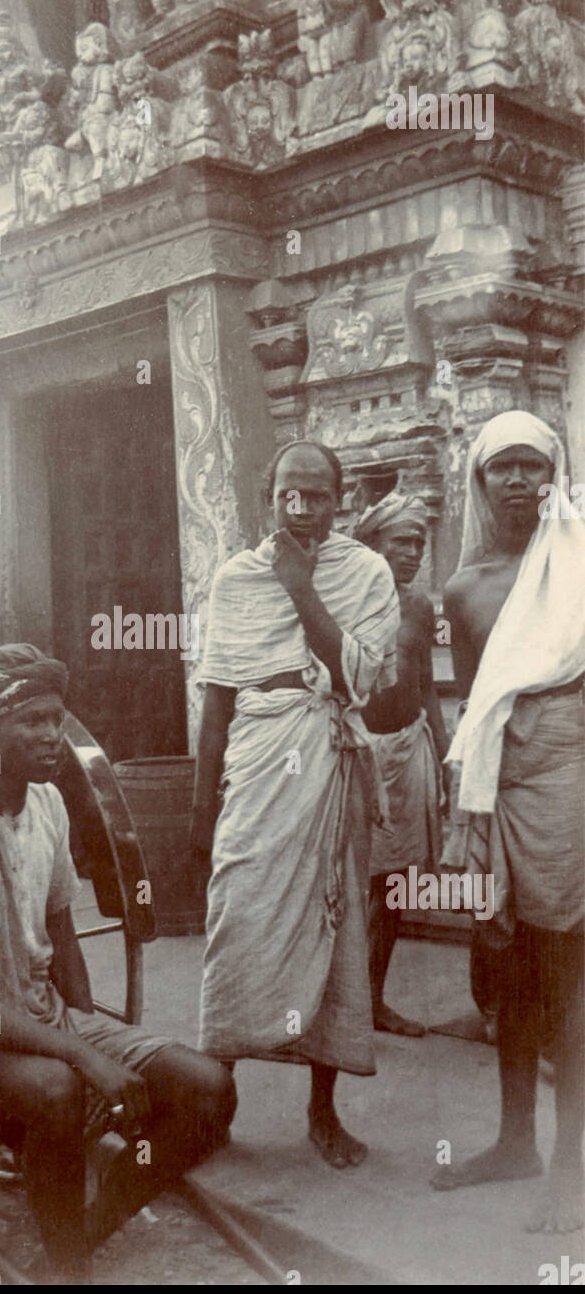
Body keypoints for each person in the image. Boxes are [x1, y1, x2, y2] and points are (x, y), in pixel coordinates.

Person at [0, 644, 236, 1280]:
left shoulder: (47, 803)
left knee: (208, 1090)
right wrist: (78, 1055)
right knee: (58, 1089)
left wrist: (84, 1030)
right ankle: (69, 1264)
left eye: (56, 718)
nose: (53, 737)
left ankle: (77, 1242)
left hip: (40, 1014)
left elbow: (60, 929)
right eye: (33, 722)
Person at [192, 441, 399, 1169]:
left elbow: (359, 681)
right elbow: (217, 699)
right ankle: (216, 1096)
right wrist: (200, 812)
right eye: (289, 493)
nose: (302, 507)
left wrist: (302, 587)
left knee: (334, 928)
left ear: (339, 501)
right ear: (268, 495)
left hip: (329, 761)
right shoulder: (234, 582)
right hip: (255, 763)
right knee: (237, 919)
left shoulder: (367, 574)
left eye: (317, 495)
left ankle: (322, 1110)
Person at [432, 410, 585, 1233]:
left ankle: (572, 1169)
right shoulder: (464, 587)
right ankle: (516, 1142)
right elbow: (472, 706)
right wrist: (467, 812)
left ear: (553, 471)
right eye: (503, 468)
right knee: (508, 968)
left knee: (568, 970)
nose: (519, 479)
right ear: (480, 481)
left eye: (533, 465)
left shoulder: (580, 559)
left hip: (571, 773)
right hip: (496, 781)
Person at [353, 493, 447, 1036]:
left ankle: (373, 1001)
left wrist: (443, 745)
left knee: (394, 888)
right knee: (347, 883)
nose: (412, 552)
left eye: (419, 542)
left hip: (410, 751)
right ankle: (335, 1008)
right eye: (401, 542)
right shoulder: (342, 601)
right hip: (358, 755)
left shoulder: (419, 606)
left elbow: (427, 682)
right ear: (371, 545)